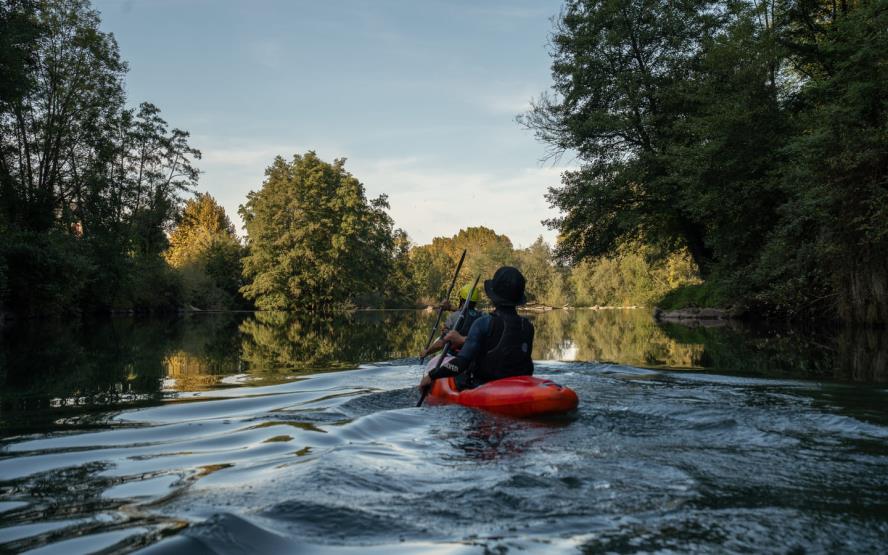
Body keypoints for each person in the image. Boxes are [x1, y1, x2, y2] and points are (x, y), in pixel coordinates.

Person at [419, 266, 534, 391]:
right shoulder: (528, 326)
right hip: (517, 386)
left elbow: (460, 365)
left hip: (484, 386)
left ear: (493, 296)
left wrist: (432, 375)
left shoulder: (484, 323)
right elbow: (528, 367)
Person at [419, 283, 482, 359]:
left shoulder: (453, 317)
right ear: (475, 302)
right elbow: (468, 314)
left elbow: (441, 343)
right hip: (473, 355)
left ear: (461, 299)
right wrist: (450, 308)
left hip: (455, 356)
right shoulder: (482, 316)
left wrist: (427, 352)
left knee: (438, 340)